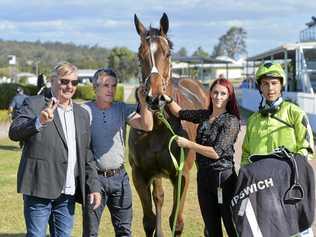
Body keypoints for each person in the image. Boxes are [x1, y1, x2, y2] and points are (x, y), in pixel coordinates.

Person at [8, 61, 101, 237]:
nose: (69, 86)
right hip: (39, 189)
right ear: (52, 80)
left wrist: (94, 186)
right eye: (64, 81)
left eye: (74, 82)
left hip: (67, 193)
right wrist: (38, 122)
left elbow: (87, 154)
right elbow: (14, 132)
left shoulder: (82, 114)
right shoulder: (34, 103)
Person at [241, 62, 315, 236]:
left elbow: (306, 148)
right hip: (263, 190)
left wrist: (289, 172)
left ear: (281, 85)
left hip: (289, 186)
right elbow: (245, 154)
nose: (270, 88)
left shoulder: (295, 113)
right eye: (265, 84)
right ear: (260, 87)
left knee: (298, 231)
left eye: (274, 83)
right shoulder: (253, 120)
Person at [163, 78, 240, 237]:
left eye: (223, 94)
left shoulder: (232, 121)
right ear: (210, 94)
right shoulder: (204, 115)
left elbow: (216, 152)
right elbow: (180, 112)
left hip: (223, 180)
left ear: (229, 97)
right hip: (203, 179)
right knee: (212, 230)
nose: (218, 97)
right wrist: (167, 98)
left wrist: (189, 144)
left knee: (231, 228)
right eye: (215, 92)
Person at [82, 68, 153, 236]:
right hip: (94, 180)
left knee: (124, 231)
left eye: (113, 85)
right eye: (106, 85)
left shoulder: (122, 108)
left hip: (120, 179)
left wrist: (144, 102)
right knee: (91, 232)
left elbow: (147, 126)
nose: (110, 89)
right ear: (94, 87)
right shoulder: (84, 111)